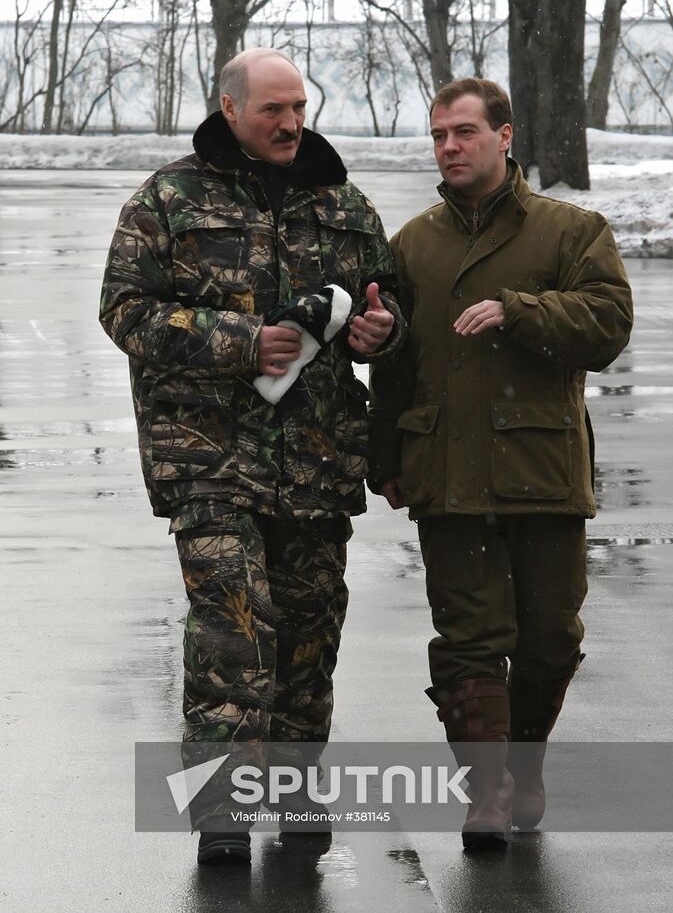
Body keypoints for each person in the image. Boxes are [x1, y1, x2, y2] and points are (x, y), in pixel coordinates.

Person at [100, 47, 404, 865]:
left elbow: (387, 300)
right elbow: (124, 310)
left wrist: (381, 330)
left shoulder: (341, 201)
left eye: (298, 106)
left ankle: (297, 795)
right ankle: (223, 812)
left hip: (317, 462)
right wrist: (241, 341)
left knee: (308, 637)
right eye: (273, 108)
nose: (290, 122)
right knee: (233, 633)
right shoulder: (168, 200)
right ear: (230, 109)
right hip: (209, 460)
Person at [368, 78, 633, 848]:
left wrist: (520, 309)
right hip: (446, 472)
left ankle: (523, 762)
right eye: (438, 135)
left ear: (504, 135)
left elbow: (608, 324)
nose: (448, 147)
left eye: (464, 132)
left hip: (541, 469)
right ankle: (485, 791)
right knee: (467, 640)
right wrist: (384, 454)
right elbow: (394, 361)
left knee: (549, 639)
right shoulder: (413, 243)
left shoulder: (570, 230)